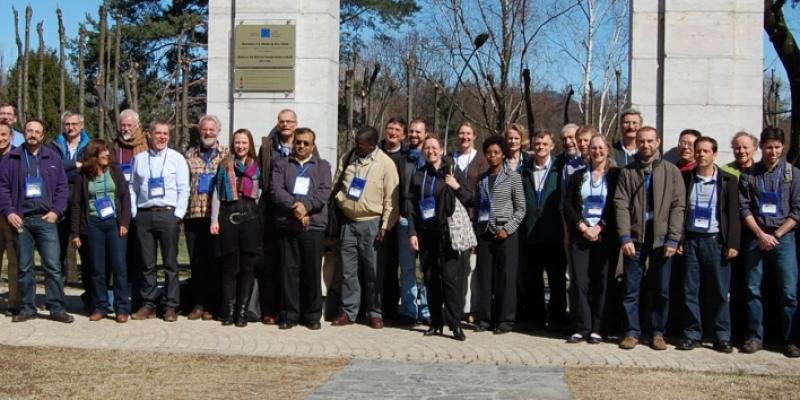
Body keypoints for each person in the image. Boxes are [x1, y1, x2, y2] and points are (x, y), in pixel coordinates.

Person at [614, 126, 685, 350]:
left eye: (650, 141)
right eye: (642, 141)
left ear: (658, 142)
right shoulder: (628, 172)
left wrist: (674, 239)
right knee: (631, 289)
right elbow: (621, 205)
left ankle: (657, 332)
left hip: (662, 239)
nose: (645, 145)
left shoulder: (671, 171)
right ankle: (632, 331)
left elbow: (678, 206)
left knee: (661, 290)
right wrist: (625, 237)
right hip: (635, 238)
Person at [0, 118, 73, 323]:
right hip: (21, 220)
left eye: (36, 132)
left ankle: (57, 308)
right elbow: (3, 189)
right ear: (23, 133)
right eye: (29, 131)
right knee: (24, 267)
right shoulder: (12, 158)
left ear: (42, 135)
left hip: (46, 219)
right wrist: (9, 212)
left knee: (53, 267)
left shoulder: (53, 158)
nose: (32, 134)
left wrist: (56, 212)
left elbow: (62, 188)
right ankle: (27, 308)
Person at [738, 127, 800, 357]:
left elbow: (797, 211)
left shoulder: (793, 174)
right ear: (760, 147)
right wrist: (760, 234)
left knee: (789, 291)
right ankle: (755, 337)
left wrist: (777, 235)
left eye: (777, 147)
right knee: (753, 289)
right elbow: (744, 207)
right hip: (757, 237)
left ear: (782, 147)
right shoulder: (750, 174)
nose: (773, 151)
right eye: (768, 147)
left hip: (784, 239)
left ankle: (792, 339)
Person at [675, 137, 740, 353]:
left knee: (721, 292)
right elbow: (680, 211)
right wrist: (680, 239)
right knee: (690, 290)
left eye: (706, 151)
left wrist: (733, 243)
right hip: (692, 240)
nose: (701, 155)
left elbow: (733, 215)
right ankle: (692, 334)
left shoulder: (728, 181)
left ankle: (722, 336)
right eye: (698, 151)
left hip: (716, 242)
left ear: (714, 154)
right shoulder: (686, 178)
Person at [331, 126, 399, 329]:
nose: (356, 147)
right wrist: (340, 200)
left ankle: (375, 312)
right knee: (348, 271)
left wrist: (386, 226)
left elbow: (391, 199)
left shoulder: (385, 164)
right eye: (356, 143)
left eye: (360, 144)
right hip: (349, 222)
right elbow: (337, 183)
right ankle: (348, 311)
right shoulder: (348, 157)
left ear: (372, 145)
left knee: (373, 272)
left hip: (372, 223)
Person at [408, 136, 471, 341]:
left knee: (450, 279)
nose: (431, 151)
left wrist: (455, 186)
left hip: (448, 233)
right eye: (427, 148)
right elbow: (411, 206)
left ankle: (454, 324)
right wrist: (412, 232)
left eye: (434, 148)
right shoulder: (418, 175)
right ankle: (435, 323)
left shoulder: (452, 171)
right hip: (426, 233)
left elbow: (470, 198)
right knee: (430, 278)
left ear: (442, 150)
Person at [270, 127, 332, 330]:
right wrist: (296, 206)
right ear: (293, 143)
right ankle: (289, 314)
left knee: (312, 272)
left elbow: (324, 192)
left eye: (306, 143)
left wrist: (307, 208)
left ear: (313, 145)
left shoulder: (322, 166)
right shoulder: (282, 164)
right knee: (289, 271)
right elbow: (276, 190)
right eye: (298, 142)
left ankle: (312, 315)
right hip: (288, 224)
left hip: (314, 226)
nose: (302, 146)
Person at [129, 121, 190, 322]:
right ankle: (148, 304)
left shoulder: (177, 159)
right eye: (158, 133)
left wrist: (178, 214)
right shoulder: (139, 159)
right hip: (144, 215)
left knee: (171, 264)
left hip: (168, 214)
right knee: (147, 264)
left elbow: (184, 188)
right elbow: (133, 187)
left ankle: (170, 306)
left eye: (166, 134)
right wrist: (134, 212)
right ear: (149, 135)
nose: (162, 137)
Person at [563, 134, 619, 344]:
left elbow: (617, 204)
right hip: (581, 235)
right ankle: (582, 326)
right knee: (579, 281)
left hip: (605, 236)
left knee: (602, 282)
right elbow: (568, 205)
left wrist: (600, 227)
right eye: (593, 148)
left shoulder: (615, 175)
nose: (597, 151)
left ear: (607, 150)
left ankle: (599, 327)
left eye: (600, 148)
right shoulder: (578, 176)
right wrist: (582, 226)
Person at [70, 139, 132, 322]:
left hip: (114, 223)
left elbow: (125, 197)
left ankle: (121, 308)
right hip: (93, 224)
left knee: (119, 266)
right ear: (93, 155)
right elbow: (76, 205)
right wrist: (75, 232)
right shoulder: (82, 175)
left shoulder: (115, 171)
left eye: (108, 152)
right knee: (97, 269)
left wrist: (125, 223)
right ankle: (100, 306)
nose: (106, 155)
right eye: (102, 152)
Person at [473, 135, 526, 334]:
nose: (492, 156)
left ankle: (505, 321)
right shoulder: (482, 179)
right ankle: (485, 319)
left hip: (507, 234)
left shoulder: (513, 177)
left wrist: (508, 229)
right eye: (489, 152)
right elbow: (478, 207)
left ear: (504, 154)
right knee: (485, 278)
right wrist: (477, 233)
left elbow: (521, 209)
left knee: (506, 278)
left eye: (496, 152)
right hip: (486, 233)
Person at [210, 129, 262, 327]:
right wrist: (214, 220)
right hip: (228, 216)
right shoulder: (224, 166)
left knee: (247, 267)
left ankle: (242, 310)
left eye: (244, 143)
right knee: (230, 267)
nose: (241, 146)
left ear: (250, 145)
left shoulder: (256, 167)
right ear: (233, 144)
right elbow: (216, 193)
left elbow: (261, 193)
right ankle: (229, 310)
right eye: (237, 142)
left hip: (250, 216)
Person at [518, 130, 567, 331]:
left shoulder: (559, 168)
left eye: (544, 144)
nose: (540, 147)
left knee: (556, 280)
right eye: (537, 144)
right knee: (533, 280)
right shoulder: (524, 170)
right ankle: (536, 317)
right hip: (530, 233)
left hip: (553, 233)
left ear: (552, 146)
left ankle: (557, 319)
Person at [257, 109, 299, 324]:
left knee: (291, 263)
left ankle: (290, 309)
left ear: (296, 123)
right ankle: (269, 309)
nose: (285, 125)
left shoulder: (304, 142)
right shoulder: (267, 147)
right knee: (271, 262)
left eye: (289, 121)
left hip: (296, 210)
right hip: (271, 208)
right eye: (282, 121)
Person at [184, 115, 228, 320]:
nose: (208, 133)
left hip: (217, 217)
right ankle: (198, 303)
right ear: (199, 131)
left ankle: (213, 304)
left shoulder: (226, 155)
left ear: (218, 131)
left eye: (212, 129)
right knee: (197, 261)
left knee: (215, 261)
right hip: (193, 215)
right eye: (204, 130)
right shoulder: (189, 155)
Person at [50, 111, 93, 310]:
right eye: (67, 124)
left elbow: (90, 168)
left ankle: (90, 297)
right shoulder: (54, 145)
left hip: (83, 205)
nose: (70, 127)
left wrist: (67, 168)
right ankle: (55, 299)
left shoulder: (90, 145)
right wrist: (74, 165)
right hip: (58, 204)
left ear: (81, 125)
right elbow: (51, 167)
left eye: (74, 124)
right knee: (55, 255)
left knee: (88, 254)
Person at [110, 109, 149, 310]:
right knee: (120, 257)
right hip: (118, 206)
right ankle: (121, 299)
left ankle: (141, 299)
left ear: (137, 125)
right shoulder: (114, 146)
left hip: (141, 206)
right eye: (123, 125)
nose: (125, 129)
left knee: (141, 256)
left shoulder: (146, 145)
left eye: (129, 125)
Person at [450, 121, 488, 321]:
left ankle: (471, 307)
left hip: (474, 218)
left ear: (474, 136)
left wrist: (458, 188)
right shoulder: (451, 159)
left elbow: (481, 193)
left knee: (472, 266)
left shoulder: (482, 160)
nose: (464, 137)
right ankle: (454, 306)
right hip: (453, 219)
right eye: (461, 133)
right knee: (455, 265)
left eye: (468, 134)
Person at [395, 118, 431, 325]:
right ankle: (409, 310)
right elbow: (398, 188)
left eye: (419, 131)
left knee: (426, 268)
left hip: (427, 220)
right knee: (407, 269)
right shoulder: (403, 159)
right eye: (412, 132)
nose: (415, 135)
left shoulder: (432, 157)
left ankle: (426, 310)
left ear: (426, 134)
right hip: (406, 219)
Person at [378, 117, 409, 324]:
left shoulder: (407, 157)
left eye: (397, 130)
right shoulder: (376, 152)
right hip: (375, 214)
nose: (393, 132)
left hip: (398, 217)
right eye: (390, 128)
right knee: (376, 264)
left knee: (393, 264)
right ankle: (373, 306)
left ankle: (391, 308)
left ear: (403, 135)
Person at [0, 122, 20, 315]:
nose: (0, 138)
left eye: (4, 134)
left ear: (11, 136)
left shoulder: (17, 156)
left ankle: (14, 301)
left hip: (11, 215)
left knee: (14, 261)